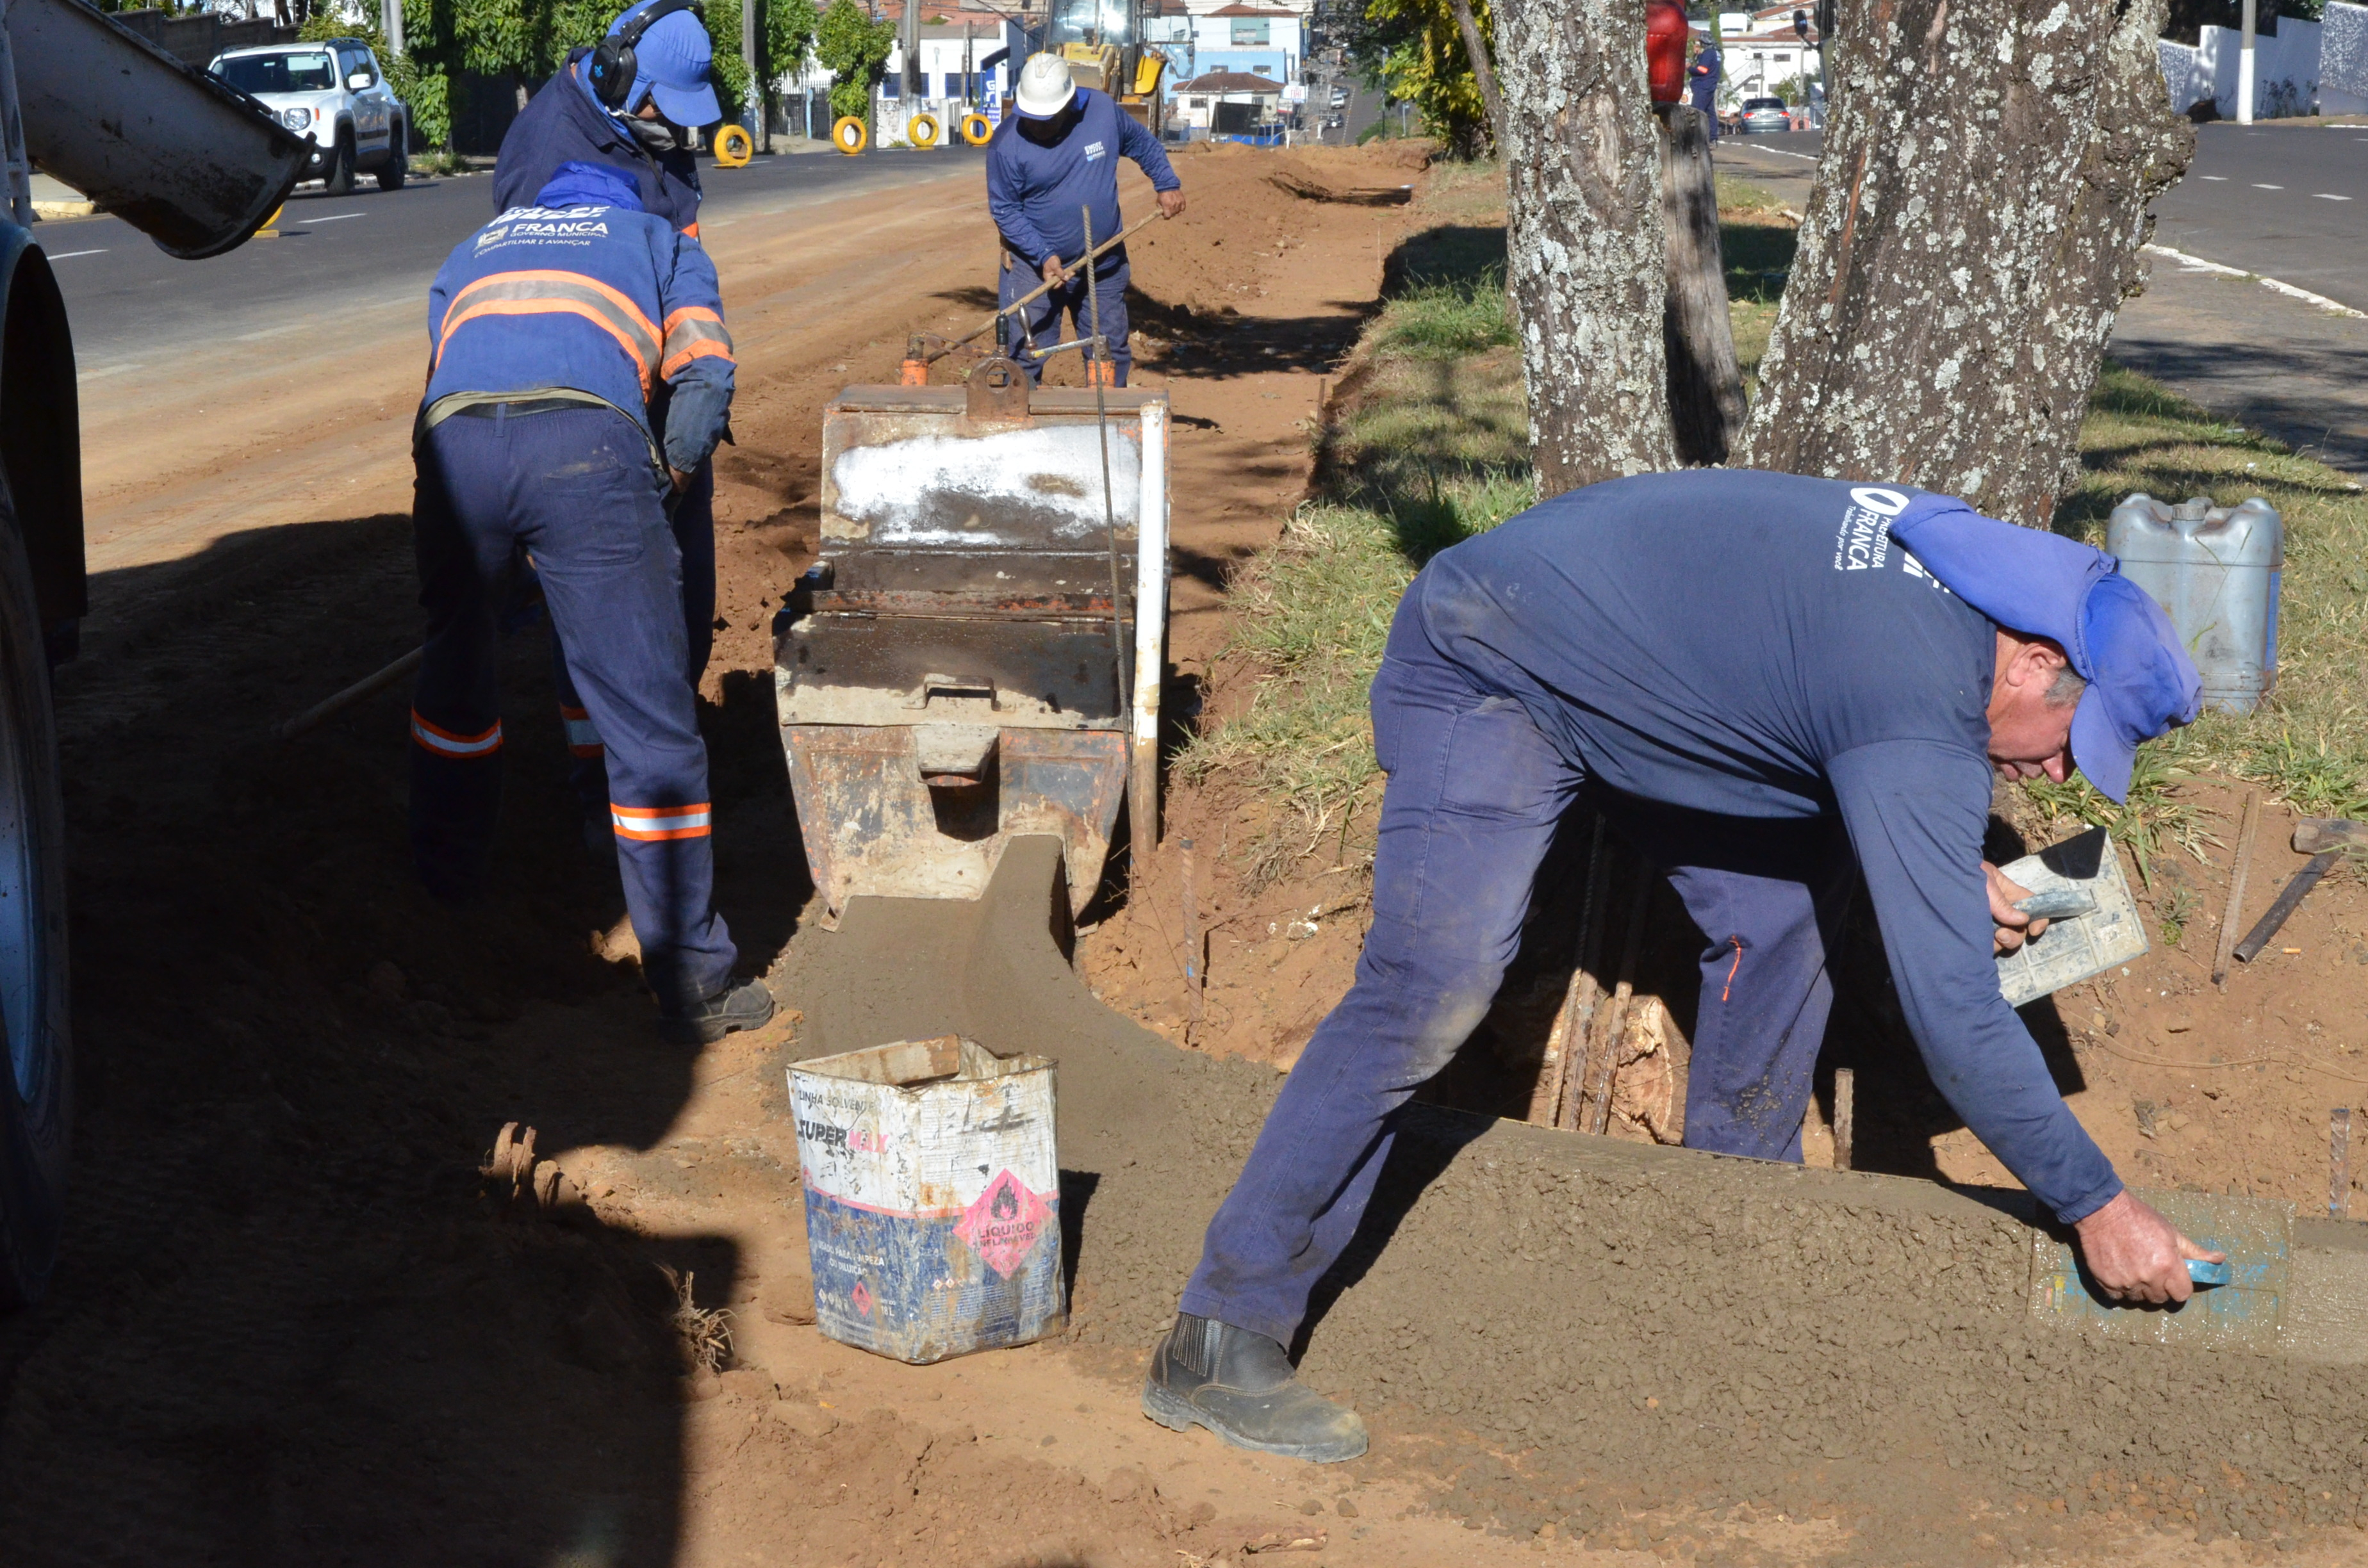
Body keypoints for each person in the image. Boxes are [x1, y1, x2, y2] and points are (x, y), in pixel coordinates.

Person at [1140, 470, 2219, 1462]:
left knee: (1788, 915)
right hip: (1494, 658)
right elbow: (1954, 1015)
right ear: (2034, 658)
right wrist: (2098, 1206)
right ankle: (1219, 1333)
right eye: (2073, 733)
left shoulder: (1961, 586)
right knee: (1433, 985)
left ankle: (1715, 1238)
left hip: (1640, 669)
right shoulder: (1912, 691)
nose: (2060, 768)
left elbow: (1823, 703)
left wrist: (1929, 865)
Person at [408, 160, 774, 1047]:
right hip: (585, 448)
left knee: (457, 680)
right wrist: (664, 484)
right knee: (649, 723)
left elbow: (455, 368)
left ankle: (444, 894)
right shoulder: (661, 238)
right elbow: (706, 377)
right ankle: (693, 981)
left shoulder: (475, 247)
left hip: (453, 447)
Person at [495, 0, 727, 844]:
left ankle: (664, 731)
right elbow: (540, 314)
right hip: (595, 407)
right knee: (594, 611)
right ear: (623, 76)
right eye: (666, 104)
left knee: (686, 601)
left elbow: (685, 267)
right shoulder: (546, 150)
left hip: (669, 403)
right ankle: (600, 786)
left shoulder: (660, 133)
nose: (678, 124)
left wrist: (686, 434)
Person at [987, 53, 1184, 387]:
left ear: (1069, 104)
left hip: (1102, 264)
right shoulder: (1006, 145)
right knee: (1023, 355)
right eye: (1030, 116)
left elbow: (1141, 143)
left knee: (1107, 351)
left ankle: (1105, 428)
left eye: (1046, 117)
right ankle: (1014, 429)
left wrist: (1166, 183)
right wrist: (1043, 255)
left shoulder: (1102, 112)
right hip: (1033, 271)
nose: (1036, 124)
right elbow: (1005, 210)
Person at [1689, 35, 1723, 139]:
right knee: (1710, 113)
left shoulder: (1708, 54)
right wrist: (1698, 56)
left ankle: (1695, 138)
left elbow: (1702, 70)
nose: (1700, 45)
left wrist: (1689, 68)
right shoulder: (1716, 53)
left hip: (1703, 87)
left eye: (1701, 43)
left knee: (1696, 112)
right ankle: (1712, 138)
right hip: (1710, 86)